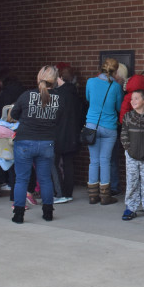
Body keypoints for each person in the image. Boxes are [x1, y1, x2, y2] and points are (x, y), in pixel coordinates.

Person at [9, 66, 65, 224]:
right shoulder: (59, 98)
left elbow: (14, 114)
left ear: (39, 77)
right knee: (46, 179)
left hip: (24, 141)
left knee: (21, 180)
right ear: (54, 81)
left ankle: (18, 214)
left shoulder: (27, 95)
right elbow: (59, 119)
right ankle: (48, 213)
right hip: (46, 142)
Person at [85, 57, 124, 205]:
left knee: (93, 161)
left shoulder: (90, 82)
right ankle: (105, 196)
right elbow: (119, 108)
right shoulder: (115, 86)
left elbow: (88, 98)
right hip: (109, 126)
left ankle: (93, 195)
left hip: (91, 125)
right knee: (105, 160)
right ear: (115, 71)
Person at [120, 89, 144, 221]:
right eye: (131, 99)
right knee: (132, 182)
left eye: (136, 98)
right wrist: (127, 148)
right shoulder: (128, 117)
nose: (133, 101)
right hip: (131, 156)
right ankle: (130, 208)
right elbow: (123, 134)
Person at [51, 64, 83, 203]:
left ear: (59, 77)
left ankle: (60, 193)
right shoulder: (75, 92)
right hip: (73, 133)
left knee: (54, 163)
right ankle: (67, 193)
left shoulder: (58, 94)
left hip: (59, 133)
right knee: (69, 164)